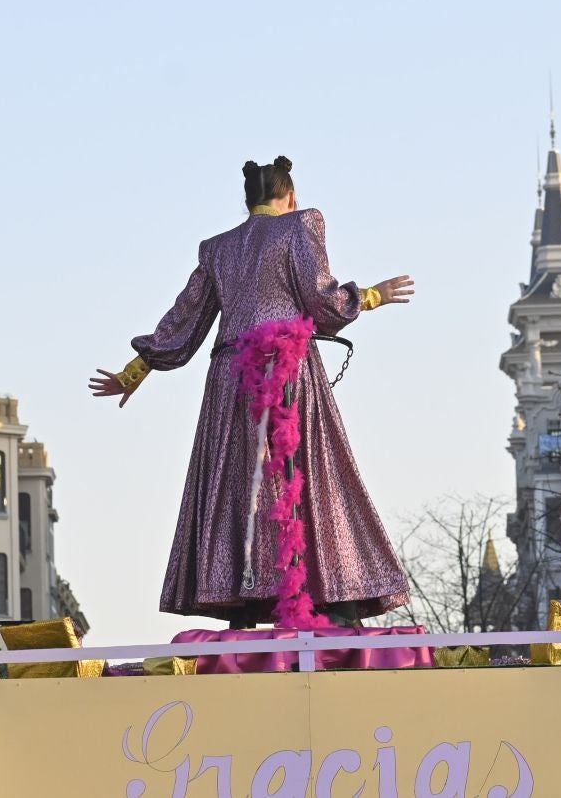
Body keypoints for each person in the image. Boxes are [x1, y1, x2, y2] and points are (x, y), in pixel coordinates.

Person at [89, 156, 413, 627]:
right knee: (309, 475)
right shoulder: (302, 225)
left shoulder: (217, 249)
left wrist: (136, 371)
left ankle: (242, 602)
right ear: (291, 195)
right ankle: (337, 595)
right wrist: (372, 295)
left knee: (239, 481)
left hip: (231, 377)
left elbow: (185, 320)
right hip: (283, 370)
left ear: (248, 200)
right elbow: (323, 303)